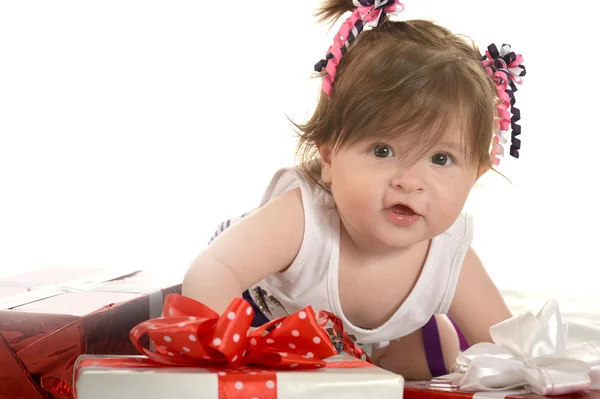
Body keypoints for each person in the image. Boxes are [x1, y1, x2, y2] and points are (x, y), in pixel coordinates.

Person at [182, 0, 527, 380]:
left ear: (475, 174)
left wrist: (527, 370)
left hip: (380, 335)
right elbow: (213, 269)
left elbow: (508, 344)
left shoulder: (449, 254)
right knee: (161, 321)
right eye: (383, 151)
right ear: (328, 158)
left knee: (448, 360)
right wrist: (226, 349)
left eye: (441, 159)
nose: (409, 181)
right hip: (264, 314)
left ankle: (401, 343)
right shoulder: (303, 219)